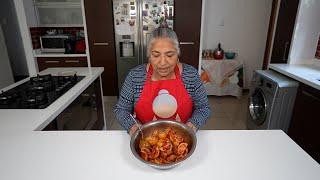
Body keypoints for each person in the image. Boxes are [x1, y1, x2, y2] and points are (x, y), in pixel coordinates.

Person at [114, 28, 211, 135]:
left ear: (177, 54)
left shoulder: (190, 75)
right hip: (147, 138)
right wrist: (132, 127)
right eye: (156, 55)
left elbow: (203, 108)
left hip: (181, 138)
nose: (163, 62)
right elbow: (121, 110)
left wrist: (192, 125)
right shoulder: (135, 77)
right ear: (149, 55)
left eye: (169, 55)